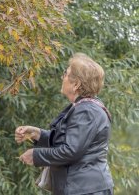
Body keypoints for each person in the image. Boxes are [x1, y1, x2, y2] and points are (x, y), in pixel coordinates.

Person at [15, 53, 114, 195]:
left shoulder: (87, 111)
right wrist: (37, 134)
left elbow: (70, 150)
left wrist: (36, 155)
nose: (63, 78)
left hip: (85, 189)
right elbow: (68, 140)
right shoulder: (82, 107)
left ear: (76, 84)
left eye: (66, 74)